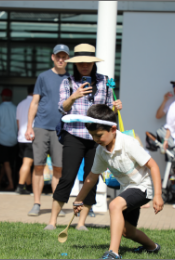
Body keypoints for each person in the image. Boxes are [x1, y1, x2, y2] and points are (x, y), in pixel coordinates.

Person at [45, 43, 123, 231]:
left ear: (93, 63)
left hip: (97, 137)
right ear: (75, 64)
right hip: (74, 134)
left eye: (87, 62)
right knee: (68, 176)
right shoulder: (68, 82)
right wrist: (74, 96)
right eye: (80, 63)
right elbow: (62, 108)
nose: (84, 66)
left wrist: (116, 106)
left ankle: (81, 222)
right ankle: (52, 221)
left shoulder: (105, 82)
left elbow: (107, 111)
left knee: (91, 179)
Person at [73, 104, 164, 259]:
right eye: (92, 135)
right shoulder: (101, 151)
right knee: (127, 231)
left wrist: (158, 195)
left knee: (114, 205)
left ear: (113, 129)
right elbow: (92, 177)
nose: (96, 139)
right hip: (127, 190)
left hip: (142, 187)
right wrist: (78, 199)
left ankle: (113, 253)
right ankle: (153, 247)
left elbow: (153, 166)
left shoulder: (128, 143)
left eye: (99, 135)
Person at [25, 44, 70, 216]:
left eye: (64, 56)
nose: (61, 59)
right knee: (38, 166)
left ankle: (56, 204)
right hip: (41, 126)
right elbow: (34, 102)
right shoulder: (43, 76)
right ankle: (36, 203)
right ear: (53, 57)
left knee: (58, 168)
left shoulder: (71, 79)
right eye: (58, 56)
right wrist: (29, 126)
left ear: (67, 59)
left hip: (62, 129)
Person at [0, 88, 18, 191]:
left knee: (5, 162)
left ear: (2, 97)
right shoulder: (16, 108)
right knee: (6, 162)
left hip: (2, 140)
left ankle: (11, 184)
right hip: (14, 140)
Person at [15, 85, 34, 194]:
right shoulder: (36, 103)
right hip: (30, 137)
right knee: (27, 163)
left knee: (26, 163)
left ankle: (29, 187)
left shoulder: (20, 104)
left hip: (21, 137)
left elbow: (18, 122)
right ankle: (20, 186)